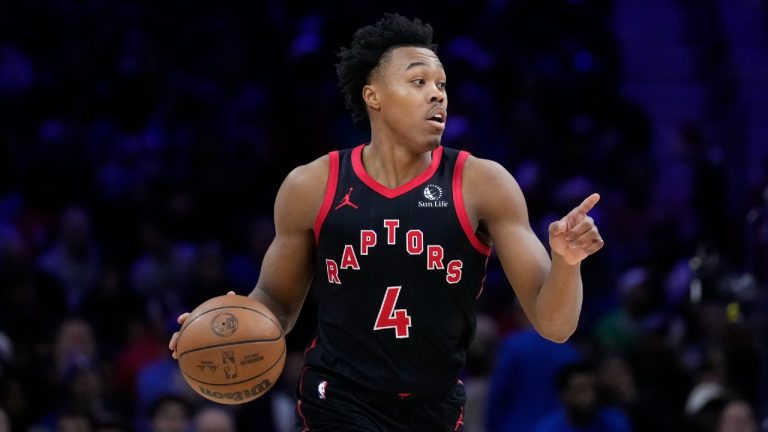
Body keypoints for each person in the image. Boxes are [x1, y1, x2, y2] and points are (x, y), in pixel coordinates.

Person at [169, 13, 604, 431]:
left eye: (441, 85)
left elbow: (555, 326)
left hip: (434, 404)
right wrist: (222, 323)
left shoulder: (483, 183)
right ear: (372, 95)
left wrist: (566, 263)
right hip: (337, 397)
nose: (438, 94)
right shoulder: (312, 185)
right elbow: (276, 304)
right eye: (418, 82)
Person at [534, 361, 632, 432]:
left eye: (592, 389)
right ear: (564, 396)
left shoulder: (615, 422)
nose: (589, 397)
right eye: (580, 391)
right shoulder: (549, 428)